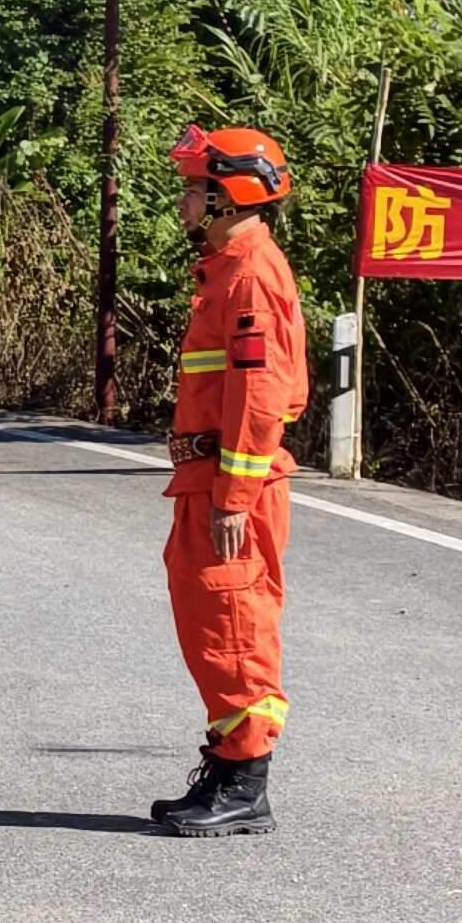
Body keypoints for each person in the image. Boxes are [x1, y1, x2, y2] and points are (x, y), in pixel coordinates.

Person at [155, 125, 307, 840]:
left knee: (234, 625)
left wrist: (234, 496)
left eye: (193, 189)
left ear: (226, 195)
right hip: (209, 477)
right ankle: (228, 764)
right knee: (209, 620)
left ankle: (245, 783)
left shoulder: (250, 275)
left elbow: (259, 393)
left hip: (230, 483)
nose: (184, 201)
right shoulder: (227, 267)